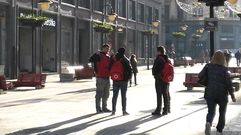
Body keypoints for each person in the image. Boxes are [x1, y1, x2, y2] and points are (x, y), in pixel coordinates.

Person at [198, 50, 236, 135]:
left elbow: (200, 75)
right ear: (223, 59)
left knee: (211, 111)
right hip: (222, 94)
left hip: (210, 92)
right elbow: (228, 83)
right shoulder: (224, 69)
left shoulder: (208, 66)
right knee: (222, 113)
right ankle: (219, 130)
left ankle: (209, 122)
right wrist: (232, 95)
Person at [89, 44, 112, 113]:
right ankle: (98, 108)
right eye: (106, 48)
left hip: (107, 77)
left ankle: (104, 108)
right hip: (100, 77)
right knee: (99, 94)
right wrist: (95, 54)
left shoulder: (108, 56)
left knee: (106, 94)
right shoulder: (99, 55)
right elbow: (90, 59)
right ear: (103, 49)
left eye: (108, 49)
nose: (107, 50)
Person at [109, 47, 132, 115]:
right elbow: (130, 70)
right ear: (124, 52)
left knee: (114, 95)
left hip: (115, 79)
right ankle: (124, 110)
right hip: (124, 80)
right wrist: (128, 78)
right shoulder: (125, 59)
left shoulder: (113, 59)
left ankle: (113, 110)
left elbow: (109, 67)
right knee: (123, 96)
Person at [152, 46, 171, 116]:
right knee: (165, 94)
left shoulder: (159, 58)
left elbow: (156, 69)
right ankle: (166, 109)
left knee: (159, 94)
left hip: (159, 79)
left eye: (157, 51)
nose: (156, 52)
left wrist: (154, 74)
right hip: (166, 79)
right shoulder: (167, 58)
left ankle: (158, 109)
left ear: (159, 51)